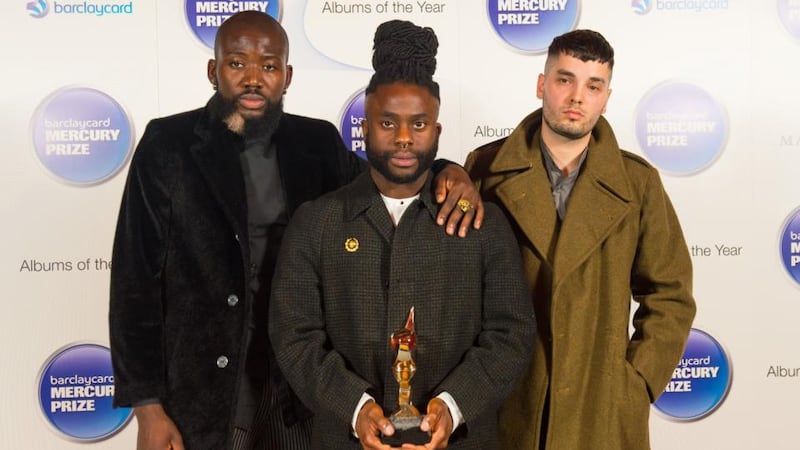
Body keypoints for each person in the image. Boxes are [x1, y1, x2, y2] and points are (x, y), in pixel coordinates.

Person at [109, 11, 483, 450]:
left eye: (268, 66)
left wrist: (448, 169)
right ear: (213, 71)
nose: (254, 79)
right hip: (202, 390)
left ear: (286, 76)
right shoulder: (166, 145)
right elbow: (135, 283)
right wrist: (148, 407)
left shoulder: (317, 142)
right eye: (237, 63)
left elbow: (388, 180)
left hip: (299, 388)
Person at [268, 20, 535, 450]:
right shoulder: (315, 223)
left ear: (438, 131)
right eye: (388, 123)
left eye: (419, 123)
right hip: (343, 439)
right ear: (364, 128)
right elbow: (294, 335)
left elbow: (512, 334)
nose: (405, 138)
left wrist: (453, 404)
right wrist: (354, 407)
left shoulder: (484, 225)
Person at [464, 29, 697, 449]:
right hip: (508, 401)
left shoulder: (637, 183)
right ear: (541, 84)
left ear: (607, 97)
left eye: (593, 86)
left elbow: (670, 295)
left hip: (600, 410)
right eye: (564, 79)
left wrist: (635, 381)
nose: (577, 97)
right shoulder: (484, 169)